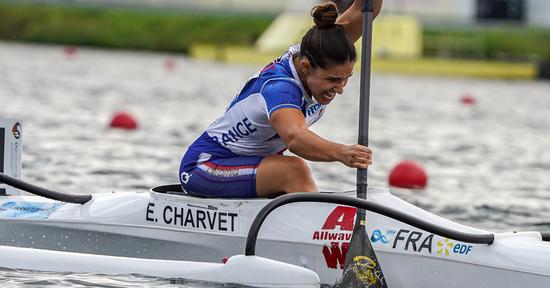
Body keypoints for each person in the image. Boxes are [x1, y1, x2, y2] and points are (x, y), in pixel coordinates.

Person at [179, 0, 383, 198]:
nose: (340, 89)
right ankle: (312, 229)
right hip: (205, 167)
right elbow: (296, 139)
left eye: (346, 79)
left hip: (253, 164)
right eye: (332, 80)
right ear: (305, 67)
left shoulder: (325, 46)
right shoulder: (280, 88)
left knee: (292, 170)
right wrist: (342, 152)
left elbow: (366, 9)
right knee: (294, 170)